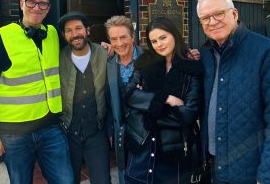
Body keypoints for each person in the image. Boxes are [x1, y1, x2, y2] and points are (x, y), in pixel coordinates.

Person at [0, 0, 74, 184]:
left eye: (43, 4)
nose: (37, 8)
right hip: (14, 134)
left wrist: (102, 46)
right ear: (22, 3)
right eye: (31, 2)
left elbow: (77, 46)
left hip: (50, 128)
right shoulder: (1, 38)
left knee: (66, 180)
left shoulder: (53, 34)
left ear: (48, 8)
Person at [197, 0, 270, 184]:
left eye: (218, 13)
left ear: (234, 13)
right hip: (213, 167)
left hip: (249, 172)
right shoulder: (204, 55)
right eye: (205, 18)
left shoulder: (264, 51)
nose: (212, 22)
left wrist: (265, 175)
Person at [123, 17, 203, 184]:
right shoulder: (144, 63)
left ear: (174, 34)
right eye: (153, 41)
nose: (159, 44)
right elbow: (129, 95)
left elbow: (189, 113)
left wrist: (146, 108)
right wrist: (166, 99)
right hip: (141, 144)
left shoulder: (191, 67)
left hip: (173, 151)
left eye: (163, 37)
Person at [58, 11, 111, 184]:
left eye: (78, 28)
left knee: (102, 179)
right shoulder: (58, 59)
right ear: (64, 35)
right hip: (68, 133)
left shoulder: (105, 54)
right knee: (68, 180)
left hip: (96, 131)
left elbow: (131, 53)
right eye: (69, 30)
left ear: (87, 30)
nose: (75, 34)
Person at [104, 15, 143, 184]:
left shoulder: (150, 58)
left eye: (123, 37)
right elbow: (106, 101)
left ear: (133, 37)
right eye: (114, 39)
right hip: (119, 129)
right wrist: (110, 130)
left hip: (145, 130)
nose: (119, 43)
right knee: (124, 174)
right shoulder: (107, 62)